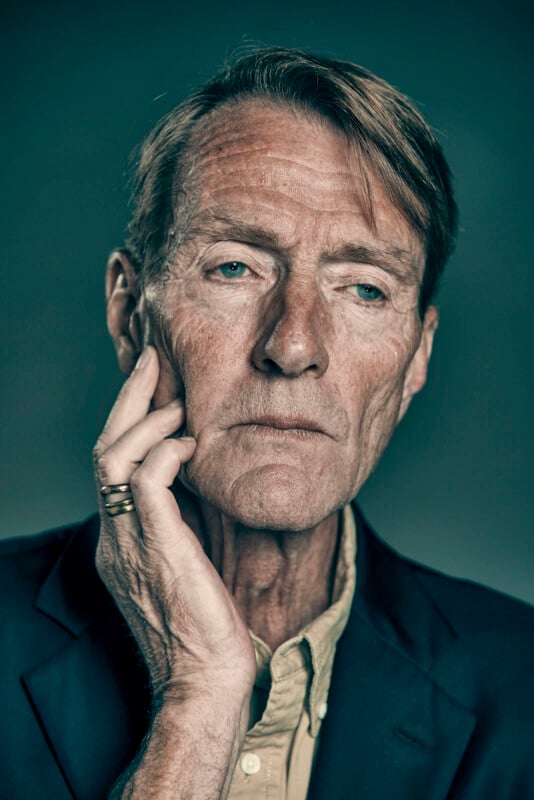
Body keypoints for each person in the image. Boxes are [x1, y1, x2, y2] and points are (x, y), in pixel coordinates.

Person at [1, 46, 532, 800]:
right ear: (129, 313)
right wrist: (201, 699)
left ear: (419, 355)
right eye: (235, 267)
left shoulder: (523, 686)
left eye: (365, 289)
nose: (293, 346)